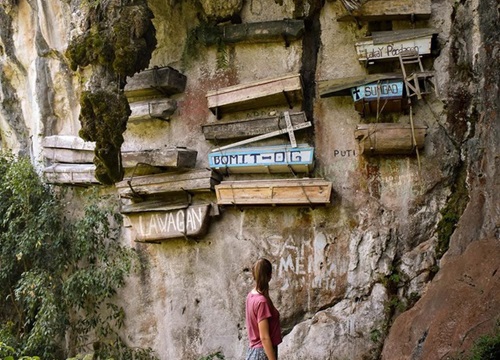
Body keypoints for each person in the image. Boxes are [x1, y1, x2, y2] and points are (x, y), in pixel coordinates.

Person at [245, 258, 282, 360]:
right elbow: (264, 337)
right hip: (263, 353)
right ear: (270, 275)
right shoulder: (261, 302)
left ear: (254, 275)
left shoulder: (251, 296)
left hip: (254, 352)